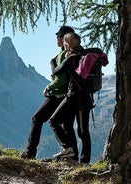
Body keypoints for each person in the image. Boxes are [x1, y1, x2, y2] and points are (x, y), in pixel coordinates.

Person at [20, 26, 78, 160]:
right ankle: (72, 155)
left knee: (37, 118)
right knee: (67, 125)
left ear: (64, 38)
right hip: (69, 94)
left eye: (58, 36)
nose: (56, 39)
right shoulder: (71, 53)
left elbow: (62, 78)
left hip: (58, 94)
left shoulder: (64, 54)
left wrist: (49, 87)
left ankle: (30, 153)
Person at [49, 32, 93, 163]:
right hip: (84, 98)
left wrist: (53, 62)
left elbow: (56, 72)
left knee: (54, 121)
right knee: (80, 129)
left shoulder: (72, 57)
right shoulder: (83, 54)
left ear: (67, 43)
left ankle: (68, 149)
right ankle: (80, 159)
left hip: (75, 97)